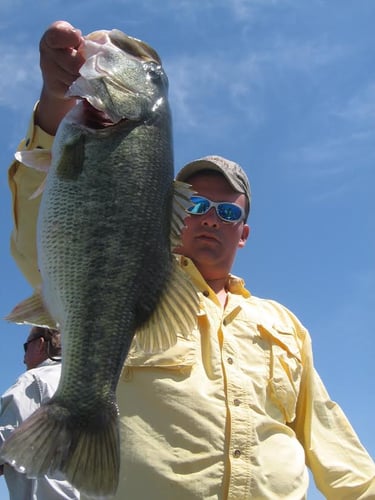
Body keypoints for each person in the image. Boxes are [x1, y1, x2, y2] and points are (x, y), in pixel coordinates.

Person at [5, 20, 375, 500]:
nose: (209, 219)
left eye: (226, 211)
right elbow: (46, 233)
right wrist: (56, 106)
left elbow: (328, 436)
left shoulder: (284, 325)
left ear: (243, 234)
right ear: (168, 214)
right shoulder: (140, 286)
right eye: (195, 205)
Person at [0, 327, 80, 499]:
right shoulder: (88, 386)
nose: (23, 359)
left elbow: (6, 439)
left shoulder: (35, 381)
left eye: (25, 347)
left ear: (40, 344)